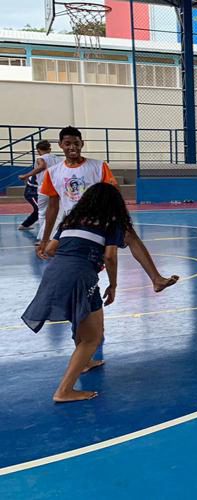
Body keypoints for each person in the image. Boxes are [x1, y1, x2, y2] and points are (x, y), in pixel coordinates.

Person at [22, 183, 132, 403]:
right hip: (81, 276)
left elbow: (50, 250)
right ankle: (64, 390)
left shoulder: (71, 220)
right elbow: (110, 257)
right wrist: (113, 284)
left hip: (54, 273)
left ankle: (86, 362)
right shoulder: (112, 222)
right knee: (93, 338)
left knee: (83, 318)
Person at [38, 126, 178, 293]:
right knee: (51, 250)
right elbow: (53, 207)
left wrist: (123, 217)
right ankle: (90, 265)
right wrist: (45, 238)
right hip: (74, 222)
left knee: (130, 235)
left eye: (76, 143)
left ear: (82, 143)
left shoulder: (98, 166)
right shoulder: (53, 172)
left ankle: (156, 279)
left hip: (101, 217)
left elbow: (114, 193)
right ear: (61, 145)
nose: (72, 147)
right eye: (67, 143)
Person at [17, 140, 59, 237]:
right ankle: (52, 233)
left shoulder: (40, 159)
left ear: (38, 150)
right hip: (54, 188)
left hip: (41, 189)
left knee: (42, 212)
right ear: (50, 149)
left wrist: (25, 175)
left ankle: (42, 235)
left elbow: (42, 166)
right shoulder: (58, 159)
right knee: (55, 211)